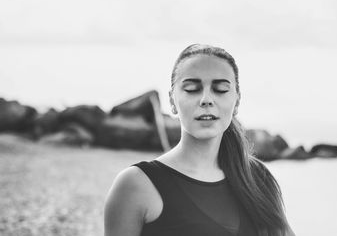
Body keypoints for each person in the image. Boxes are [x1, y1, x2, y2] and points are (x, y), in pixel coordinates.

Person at [104, 44, 295, 236]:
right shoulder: (135, 184)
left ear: (236, 101)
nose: (206, 99)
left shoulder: (257, 178)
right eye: (192, 89)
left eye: (220, 89)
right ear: (172, 101)